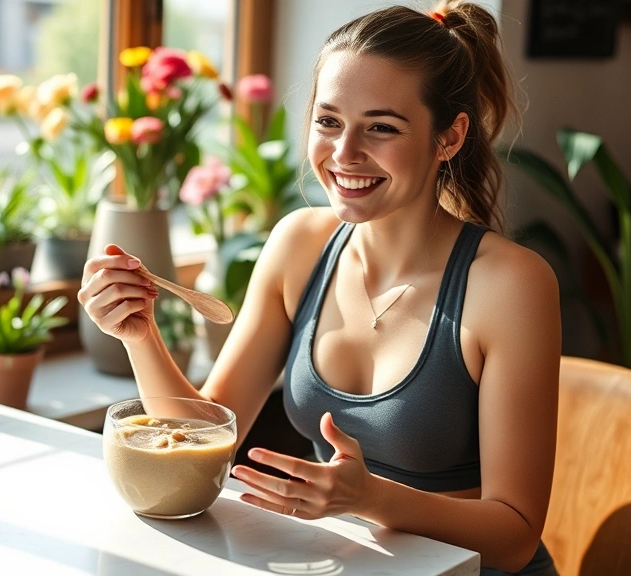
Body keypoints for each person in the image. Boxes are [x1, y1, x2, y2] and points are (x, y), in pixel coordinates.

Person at [77, 2, 561, 574]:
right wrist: (139, 334)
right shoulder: (299, 245)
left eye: (381, 127)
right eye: (329, 121)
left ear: (449, 137)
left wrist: (371, 498)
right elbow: (202, 434)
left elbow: (514, 537)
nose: (344, 153)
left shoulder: (510, 284)